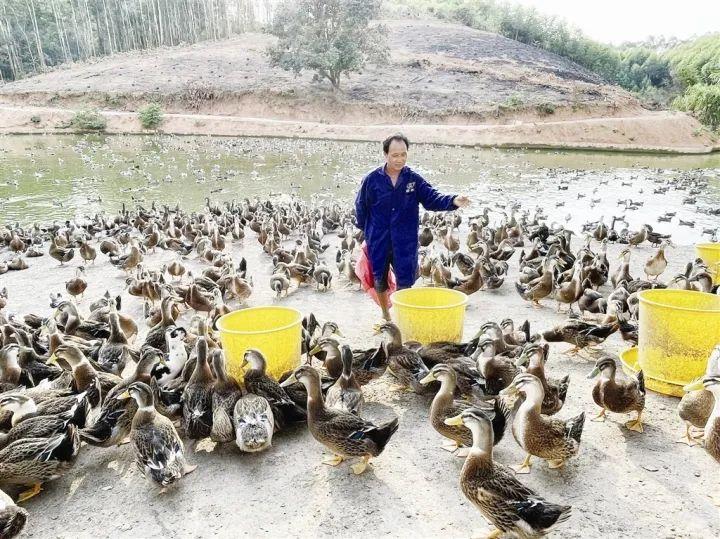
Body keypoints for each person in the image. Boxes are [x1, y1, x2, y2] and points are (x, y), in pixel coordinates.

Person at [354, 133, 470, 320]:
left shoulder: (413, 180)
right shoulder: (371, 180)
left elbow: (432, 198)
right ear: (385, 155)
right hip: (378, 240)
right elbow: (361, 207)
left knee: (405, 281)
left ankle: (402, 315)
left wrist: (454, 200)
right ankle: (385, 315)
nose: (399, 159)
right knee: (379, 279)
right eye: (395, 155)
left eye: (403, 154)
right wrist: (366, 231)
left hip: (405, 241)